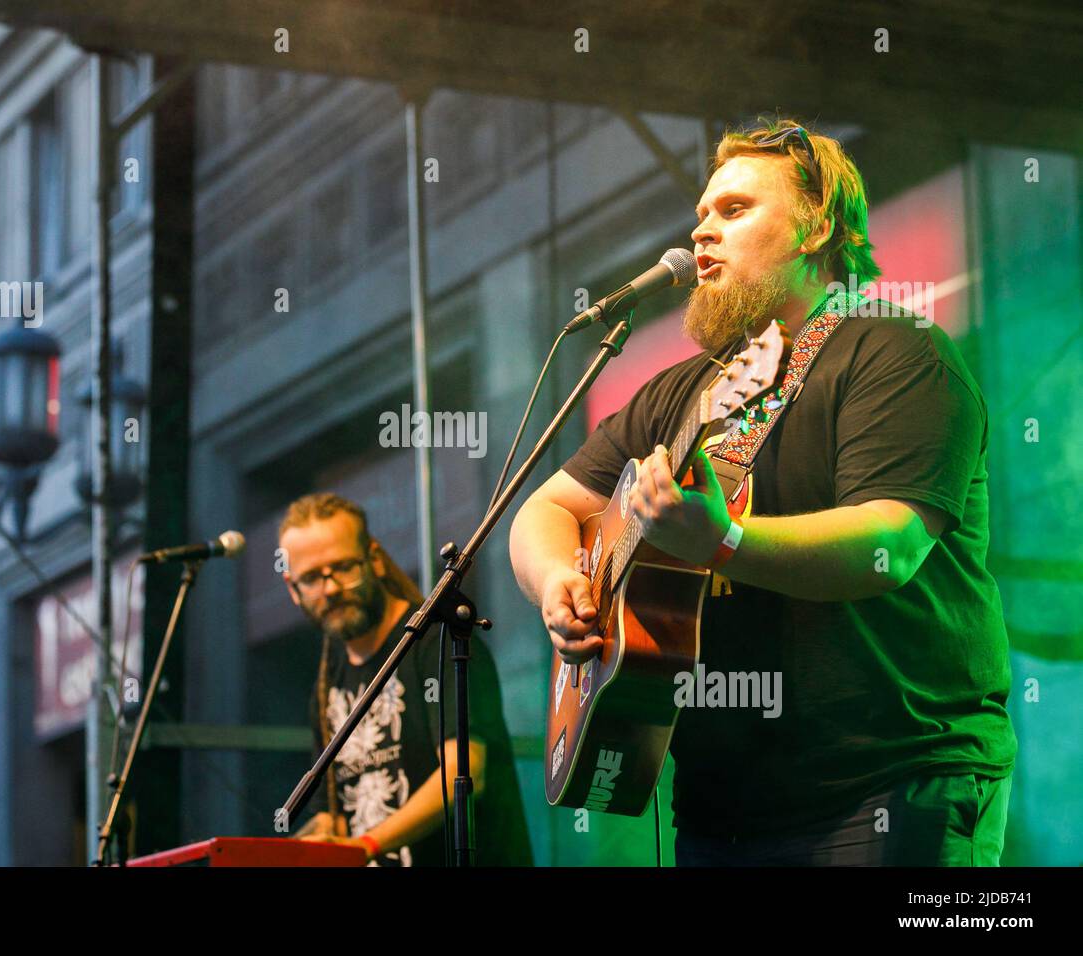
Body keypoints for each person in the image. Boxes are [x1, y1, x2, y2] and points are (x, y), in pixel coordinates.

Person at [508, 119, 1016, 866]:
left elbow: (890, 544)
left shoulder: (898, 353)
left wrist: (722, 542)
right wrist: (558, 579)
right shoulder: (681, 393)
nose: (701, 233)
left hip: (891, 779)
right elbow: (546, 508)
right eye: (701, 214)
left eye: (734, 210)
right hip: (722, 805)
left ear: (816, 229)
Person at [281, 492, 532, 866]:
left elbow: (465, 773)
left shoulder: (438, 640)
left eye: (343, 567)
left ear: (375, 559)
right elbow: (330, 812)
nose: (330, 589)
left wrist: (366, 844)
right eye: (313, 578)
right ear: (292, 588)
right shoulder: (325, 681)